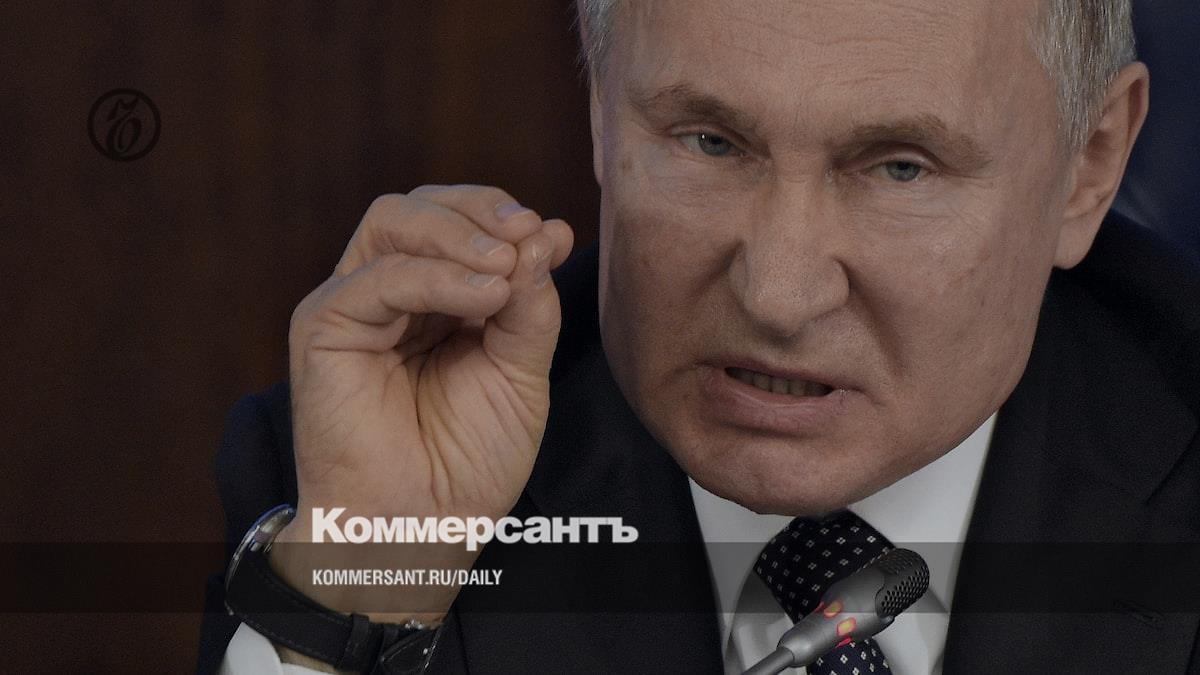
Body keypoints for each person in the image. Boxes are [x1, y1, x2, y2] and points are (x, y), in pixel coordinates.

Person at [201, 0, 1200, 673]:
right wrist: (362, 592)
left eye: (900, 167)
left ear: (1090, 164)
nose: (779, 293)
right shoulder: (391, 471)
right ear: (601, 110)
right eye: (711, 143)